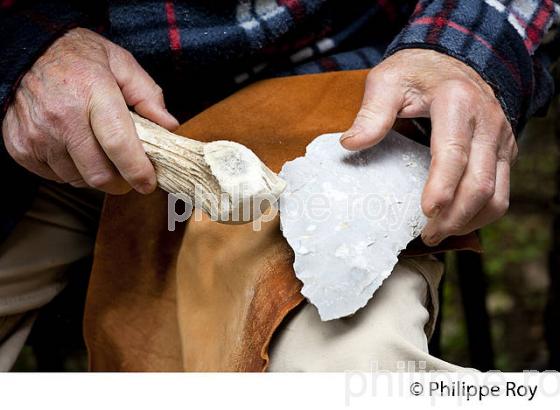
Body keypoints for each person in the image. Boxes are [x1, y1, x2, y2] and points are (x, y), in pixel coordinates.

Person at [0, 0, 558, 371]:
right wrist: (22, 47)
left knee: (359, 369)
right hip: (54, 89)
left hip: (329, 87)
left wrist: (464, 55)